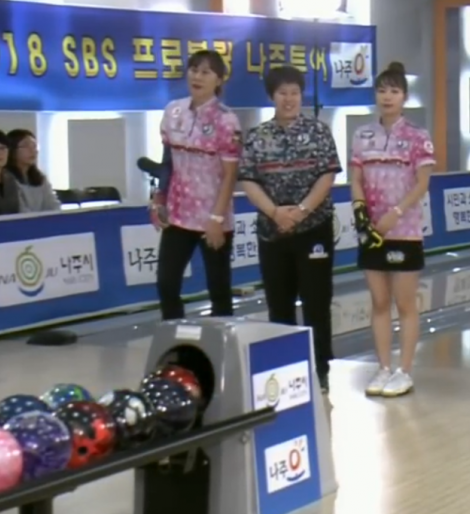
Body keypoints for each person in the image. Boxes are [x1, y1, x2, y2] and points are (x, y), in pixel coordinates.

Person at [238, 66, 342, 394]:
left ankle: (320, 369)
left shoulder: (318, 132)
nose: (289, 99)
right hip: (273, 232)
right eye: (282, 93)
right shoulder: (257, 136)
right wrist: (275, 212)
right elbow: (248, 180)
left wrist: (300, 211)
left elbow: (327, 176)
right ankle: (285, 370)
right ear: (272, 96)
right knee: (279, 304)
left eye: (294, 93)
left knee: (317, 302)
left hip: (314, 229)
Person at [350, 62, 435, 398]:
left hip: (405, 230)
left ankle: (405, 370)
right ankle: (383, 367)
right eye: (382, 90)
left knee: (405, 303)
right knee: (379, 301)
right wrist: (362, 214)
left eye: (394, 91)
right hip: (371, 231)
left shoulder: (417, 136)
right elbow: (356, 179)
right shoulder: (362, 135)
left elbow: (422, 183)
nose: (387, 96)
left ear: (405, 97)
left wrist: (395, 213)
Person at [152, 49, 242, 321]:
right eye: (193, 70)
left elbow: (230, 174)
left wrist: (217, 218)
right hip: (178, 215)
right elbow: (167, 159)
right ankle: (175, 336)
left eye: (206, 72)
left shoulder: (227, 119)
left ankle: (221, 339)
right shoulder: (173, 110)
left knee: (218, 288)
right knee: (166, 283)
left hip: (213, 217)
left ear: (219, 79)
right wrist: (159, 197)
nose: (197, 77)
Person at [5, 129, 61, 213]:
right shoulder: (6, 178)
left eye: (34, 146)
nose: (32, 150)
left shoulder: (40, 177)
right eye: (25, 146)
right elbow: (19, 210)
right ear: (12, 150)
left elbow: (53, 205)